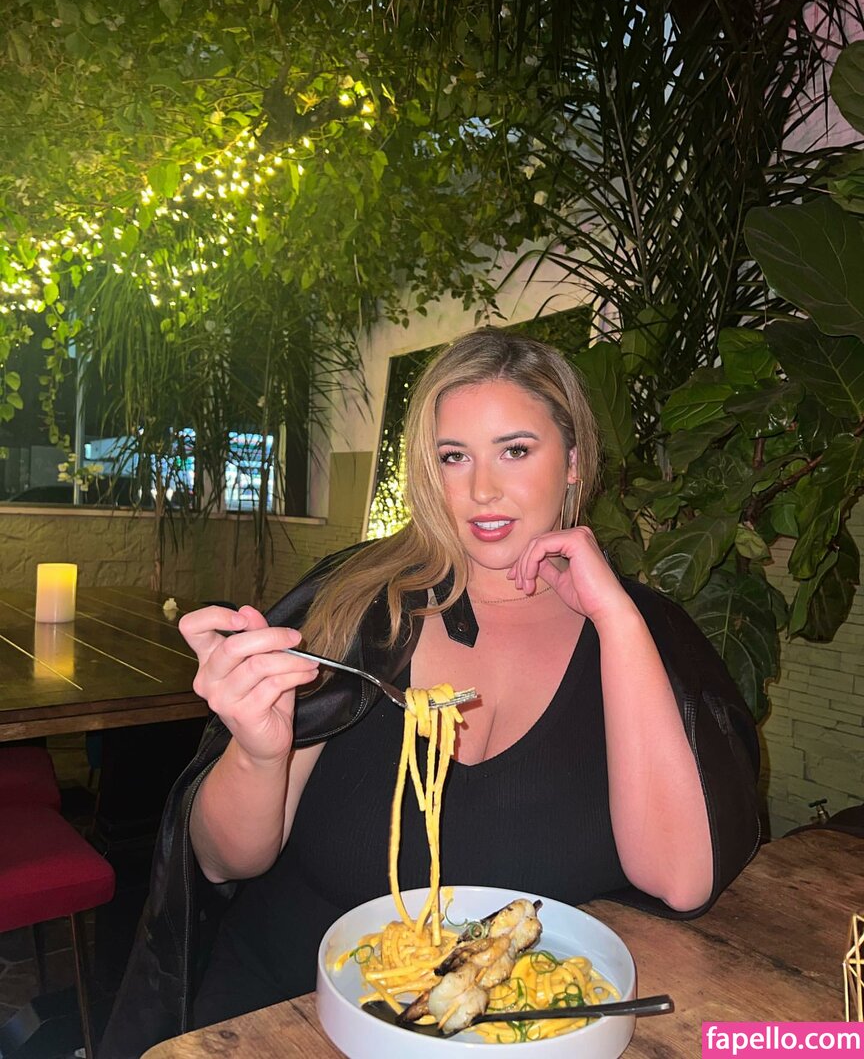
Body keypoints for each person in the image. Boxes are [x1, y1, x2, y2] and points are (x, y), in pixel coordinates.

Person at [100, 329, 760, 1058]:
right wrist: (260, 754)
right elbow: (222, 862)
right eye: (454, 457)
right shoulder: (355, 604)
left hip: (519, 1036)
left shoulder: (639, 633)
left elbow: (681, 882)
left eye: (515, 450)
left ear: (573, 461)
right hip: (285, 1017)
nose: (482, 490)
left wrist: (617, 619)